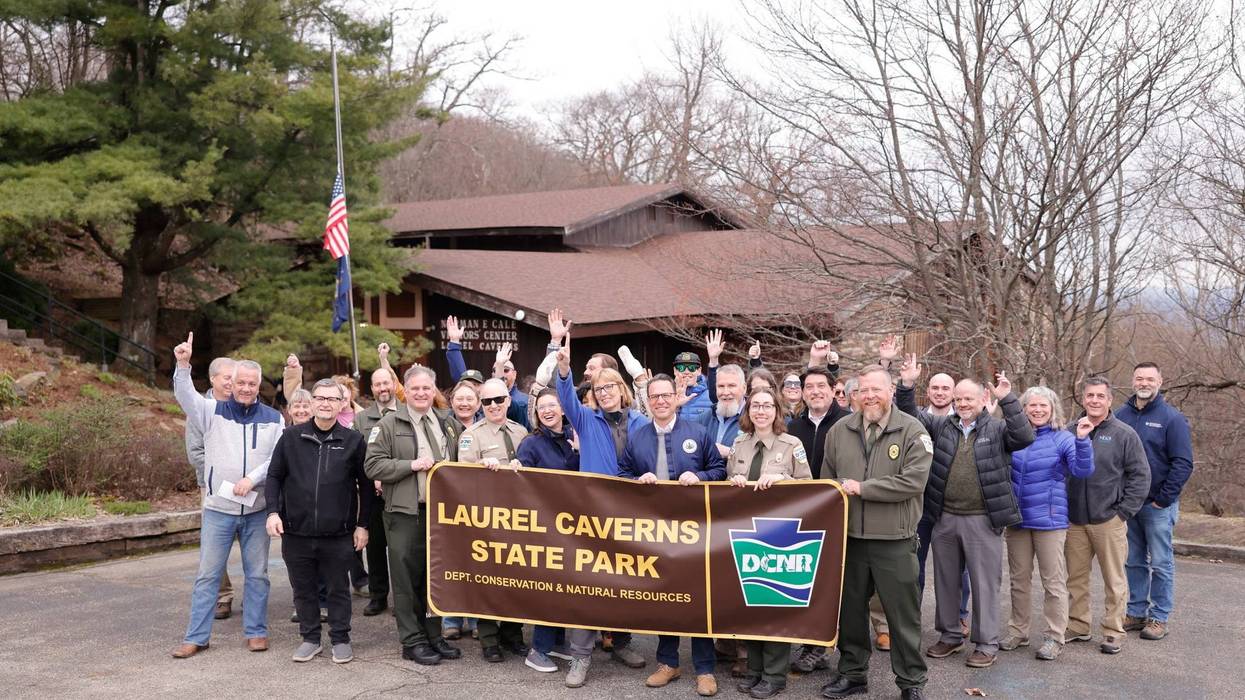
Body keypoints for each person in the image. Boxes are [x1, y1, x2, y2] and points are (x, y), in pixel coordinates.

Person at [895, 356, 1034, 669]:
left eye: (968, 398)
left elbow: (1025, 436)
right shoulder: (942, 426)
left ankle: (986, 643)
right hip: (945, 517)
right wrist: (906, 385)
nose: (962, 403)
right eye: (958, 399)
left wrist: (1008, 399)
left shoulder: (998, 429)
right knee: (945, 580)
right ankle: (949, 635)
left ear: (983, 399)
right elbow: (908, 416)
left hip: (982, 520)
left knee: (984, 583)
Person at [819, 365, 930, 700]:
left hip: (894, 540)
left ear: (891, 391)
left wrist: (862, 488)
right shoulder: (839, 431)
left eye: (876, 390)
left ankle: (911, 682)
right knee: (850, 612)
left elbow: (913, 482)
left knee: (902, 617)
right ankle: (852, 674)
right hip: (851, 539)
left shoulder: (912, 431)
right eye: (863, 390)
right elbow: (828, 482)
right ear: (855, 394)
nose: (869, 396)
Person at [170, 334, 285, 658]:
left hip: (257, 510)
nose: (247, 388)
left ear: (258, 385)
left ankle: (256, 631)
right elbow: (184, 396)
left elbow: (276, 460)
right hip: (219, 510)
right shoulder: (211, 411)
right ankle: (196, 636)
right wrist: (182, 365)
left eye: (252, 383)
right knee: (208, 574)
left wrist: (252, 478)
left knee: (258, 575)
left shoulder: (274, 419)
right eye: (241, 382)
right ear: (230, 383)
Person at [619, 373, 726, 697]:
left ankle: (705, 668)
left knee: (697, 599)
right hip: (656, 531)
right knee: (665, 597)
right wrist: (638, 479)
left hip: (695, 531)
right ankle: (668, 663)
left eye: (666, 395)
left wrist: (701, 474)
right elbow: (622, 473)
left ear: (675, 397)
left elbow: (720, 470)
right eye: (655, 397)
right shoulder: (637, 436)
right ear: (648, 401)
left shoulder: (697, 432)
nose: (661, 401)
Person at [552, 333, 650, 668]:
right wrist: (562, 366)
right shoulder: (585, 418)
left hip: (628, 512)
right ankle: (580, 655)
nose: (604, 393)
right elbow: (565, 395)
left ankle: (621, 641)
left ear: (621, 390)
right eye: (599, 389)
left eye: (610, 387)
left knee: (623, 581)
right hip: (592, 512)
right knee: (587, 583)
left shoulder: (641, 423)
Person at [264, 378, 375, 664]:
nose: (326, 403)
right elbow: (274, 476)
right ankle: (310, 638)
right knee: (303, 590)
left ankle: (340, 638)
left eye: (332, 399)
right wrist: (273, 513)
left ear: (342, 404)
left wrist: (363, 525)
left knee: (339, 590)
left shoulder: (353, 441)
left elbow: (366, 485)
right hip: (296, 532)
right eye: (320, 398)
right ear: (312, 402)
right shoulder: (290, 438)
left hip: (338, 534)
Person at [364, 365, 462, 666]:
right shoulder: (390, 424)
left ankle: (434, 635)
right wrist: (411, 465)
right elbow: (373, 466)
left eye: (427, 388)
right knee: (406, 581)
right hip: (405, 514)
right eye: (415, 388)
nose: (421, 393)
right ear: (403, 391)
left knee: (433, 579)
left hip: (440, 514)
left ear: (434, 392)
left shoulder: (446, 422)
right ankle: (412, 640)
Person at [999, 386, 1095, 661]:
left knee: (1053, 583)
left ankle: (1054, 636)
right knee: (1018, 580)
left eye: (1043, 406)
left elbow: (1082, 469)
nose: (1038, 410)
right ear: (1023, 409)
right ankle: (1018, 630)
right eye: (1032, 405)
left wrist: (1082, 441)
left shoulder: (1063, 439)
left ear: (1053, 409)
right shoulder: (1012, 437)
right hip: (1017, 520)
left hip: (1050, 521)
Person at [728, 388, 811, 699]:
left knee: (774, 604)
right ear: (748, 412)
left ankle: (775, 675)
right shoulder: (739, 443)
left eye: (766, 406)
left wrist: (783, 480)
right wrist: (732, 482)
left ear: (777, 411)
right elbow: (726, 485)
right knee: (752, 604)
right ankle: (755, 670)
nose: (760, 411)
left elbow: (809, 484)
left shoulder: (793, 445)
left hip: (779, 535)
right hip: (745, 533)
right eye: (755, 406)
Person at [511, 388, 596, 687]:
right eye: (542, 407)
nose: (547, 411)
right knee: (549, 587)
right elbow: (525, 483)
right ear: (536, 413)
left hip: (578, 524)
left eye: (553, 405)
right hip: (546, 526)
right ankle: (538, 648)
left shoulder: (578, 434)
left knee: (569, 586)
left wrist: (579, 452)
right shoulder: (531, 444)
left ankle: (558, 641)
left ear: (563, 409)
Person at [1065, 376, 1151, 655]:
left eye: (1100, 396)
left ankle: (1113, 631)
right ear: (1082, 398)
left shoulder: (1124, 434)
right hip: (1075, 520)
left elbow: (1140, 476)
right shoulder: (1069, 430)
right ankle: (1078, 626)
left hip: (1109, 519)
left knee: (1114, 580)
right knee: (1075, 579)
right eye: (1090, 395)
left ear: (1109, 400)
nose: (1094, 401)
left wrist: (1123, 512)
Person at [1115, 362, 1193, 642]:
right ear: (1132, 381)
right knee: (1133, 561)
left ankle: (1159, 617)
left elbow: (1183, 463)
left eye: (1149, 378)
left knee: (1161, 562)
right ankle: (1135, 612)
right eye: (1139, 378)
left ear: (1160, 381)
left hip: (1157, 506)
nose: (1144, 383)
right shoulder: (1120, 415)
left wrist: (1164, 499)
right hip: (1129, 505)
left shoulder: (1172, 418)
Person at [456, 378, 531, 662]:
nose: (494, 406)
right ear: (480, 404)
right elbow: (461, 477)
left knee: (515, 579)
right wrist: (482, 468)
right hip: (484, 520)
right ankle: (489, 639)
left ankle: (512, 634)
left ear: (508, 400)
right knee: (486, 580)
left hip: (518, 518)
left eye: (499, 399)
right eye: (487, 401)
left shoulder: (521, 432)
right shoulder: (471, 436)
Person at [787, 364, 851, 674]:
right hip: (799, 515)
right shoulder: (793, 426)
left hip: (836, 514)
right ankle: (808, 639)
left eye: (820, 386)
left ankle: (821, 647)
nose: (815, 392)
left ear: (832, 388)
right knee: (804, 580)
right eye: (809, 387)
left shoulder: (848, 423)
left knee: (830, 583)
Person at [183, 355, 239, 622]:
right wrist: (226, 472)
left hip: (247, 485)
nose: (232, 382)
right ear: (213, 379)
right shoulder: (200, 408)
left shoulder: (244, 404)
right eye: (227, 377)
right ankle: (223, 596)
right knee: (214, 545)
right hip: (212, 486)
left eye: (235, 377)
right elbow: (195, 453)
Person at [353, 355, 403, 618]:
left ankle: (401, 598)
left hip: (400, 491)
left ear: (394, 384)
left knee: (399, 548)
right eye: (377, 385)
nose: (383, 389)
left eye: (387, 383)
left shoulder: (406, 414)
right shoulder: (362, 420)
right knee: (374, 547)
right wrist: (372, 478)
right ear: (371, 389)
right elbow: (357, 456)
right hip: (372, 494)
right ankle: (378, 595)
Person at [438, 378, 481, 640]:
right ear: (451, 402)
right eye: (459, 399)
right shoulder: (441, 426)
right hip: (449, 505)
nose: (464, 403)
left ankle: (476, 618)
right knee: (452, 562)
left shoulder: (486, 425)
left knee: (476, 562)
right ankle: (451, 617)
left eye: (470, 399)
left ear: (477, 403)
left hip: (480, 507)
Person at [672, 351, 714, 421]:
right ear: (675, 371)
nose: (687, 372)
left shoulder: (711, 397)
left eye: (692, 368)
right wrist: (675, 406)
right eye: (681, 368)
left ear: (699, 371)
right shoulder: (666, 396)